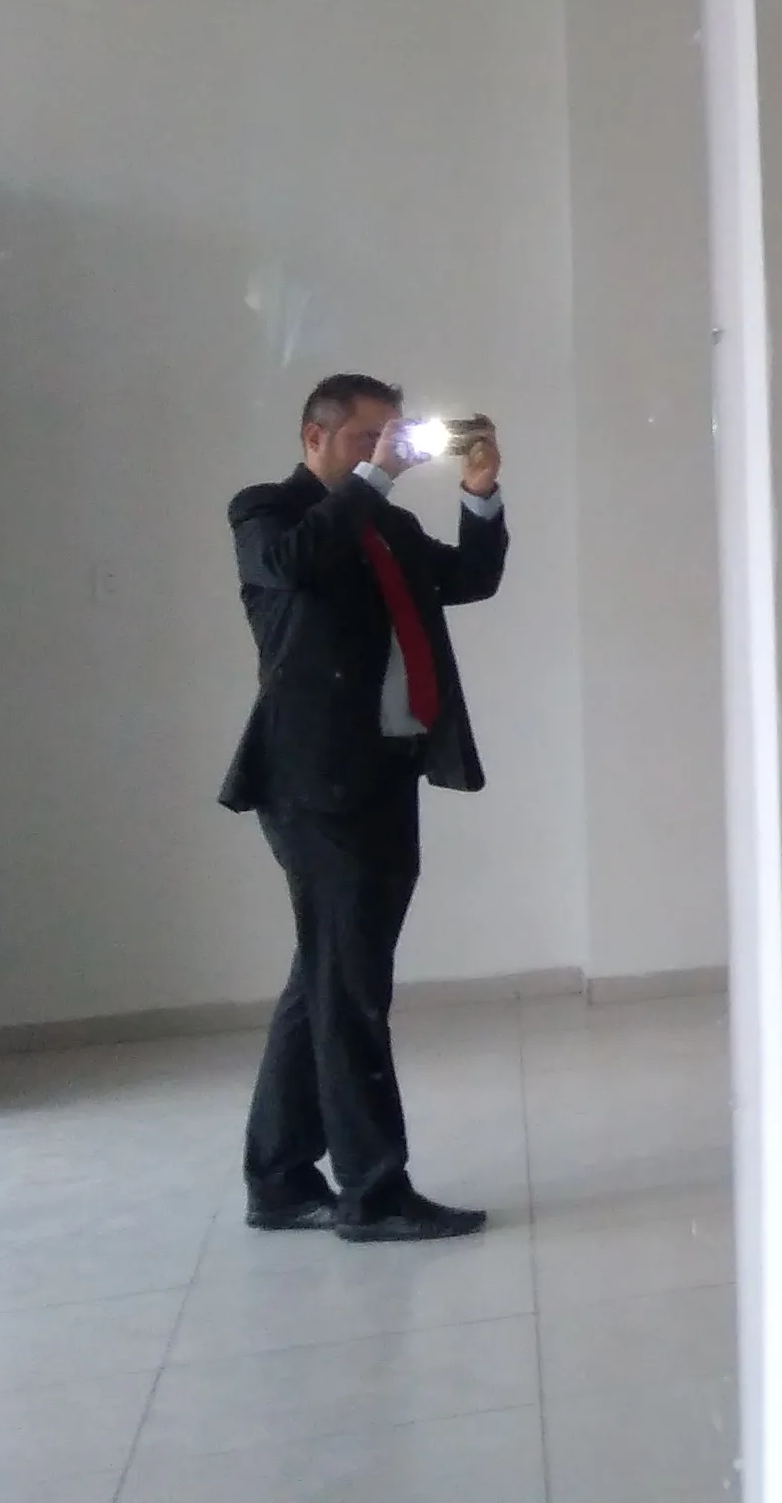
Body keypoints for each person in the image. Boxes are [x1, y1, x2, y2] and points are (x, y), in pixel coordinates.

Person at [218, 374, 505, 1242]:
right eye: (364, 439)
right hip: (314, 783)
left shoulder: (389, 526)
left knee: (329, 976)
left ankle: (278, 1179)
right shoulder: (267, 512)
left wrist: (480, 492)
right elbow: (295, 566)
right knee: (351, 987)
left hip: (386, 772)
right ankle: (372, 1192)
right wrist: (373, 480)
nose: (383, 452)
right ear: (315, 437)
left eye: (393, 437)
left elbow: (470, 580)